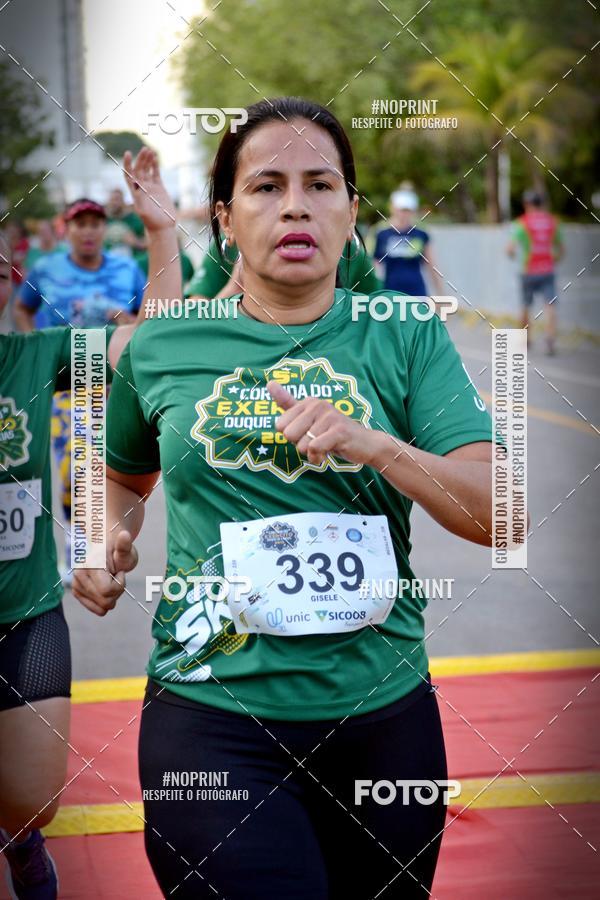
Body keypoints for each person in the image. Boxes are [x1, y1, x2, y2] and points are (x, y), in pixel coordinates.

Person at [74, 97, 497, 900]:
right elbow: (120, 479)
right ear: (226, 219)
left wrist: (373, 442)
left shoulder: (405, 333)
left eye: (322, 185)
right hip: (210, 716)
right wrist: (102, 538)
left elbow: (500, 513)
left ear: (352, 213)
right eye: (267, 186)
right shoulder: (160, 341)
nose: (297, 203)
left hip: (386, 721)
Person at [0, 149, 174, 900]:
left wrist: (161, 232)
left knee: (32, 798)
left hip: (23, 615)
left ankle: (23, 842)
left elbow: (155, 341)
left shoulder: (38, 358)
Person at [12, 199, 146, 584]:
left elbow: (145, 320)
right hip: (66, 385)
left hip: (112, 385)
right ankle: (78, 549)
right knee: (74, 467)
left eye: (95, 223)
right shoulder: (46, 269)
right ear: (66, 229)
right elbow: (23, 307)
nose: (88, 231)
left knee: (108, 471)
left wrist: (125, 319)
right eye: (79, 224)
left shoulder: (127, 269)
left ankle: (97, 545)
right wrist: (33, 348)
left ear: (104, 229)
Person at [186, 230, 381, 298]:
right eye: (268, 188)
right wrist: (236, 288)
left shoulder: (349, 250)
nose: (294, 206)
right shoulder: (226, 246)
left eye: (318, 186)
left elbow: (374, 316)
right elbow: (192, 326)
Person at [507, 189, 564, 355]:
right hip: (548, 269)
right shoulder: (552, 222)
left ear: (527, 204)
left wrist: (512, 256)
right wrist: (553, 260)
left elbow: (510, 248)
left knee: (525, 305)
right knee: (550, 304)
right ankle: (550, 338)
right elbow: (561, 249)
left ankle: (526, 339)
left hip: (528, 270)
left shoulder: (522, 223)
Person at [374, 188, 443, 297]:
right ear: (393, 208)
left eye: (408, 210)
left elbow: (431, 265)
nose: (404, 213)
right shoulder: (382, 234)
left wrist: (440, 294)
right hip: (389, 293)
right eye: (401, 209)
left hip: (417, 292)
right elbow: (374, 265)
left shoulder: (421, 234)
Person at [104, 187, 147, 265]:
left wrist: (135, 242)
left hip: (131, 261)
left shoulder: (134, 219)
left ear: (123, 201)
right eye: (111, 199)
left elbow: (149, 243)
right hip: (107, 262)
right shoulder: (103, 220)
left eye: (117, 199)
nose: (114, 203)